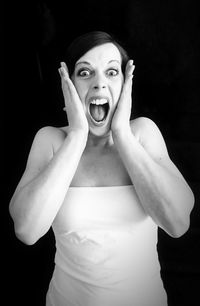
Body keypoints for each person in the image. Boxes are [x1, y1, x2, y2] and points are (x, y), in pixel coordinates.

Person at [9, 31, 195, 306]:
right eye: (85, 73)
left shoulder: (143, 134)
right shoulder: (50, 141)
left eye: (111, 72)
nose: (99, 84)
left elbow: (177, 223)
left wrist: (122, 133)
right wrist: (76, 137)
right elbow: (27, 230)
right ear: (68, 85)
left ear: (125, 83)